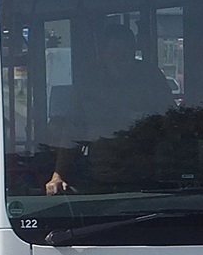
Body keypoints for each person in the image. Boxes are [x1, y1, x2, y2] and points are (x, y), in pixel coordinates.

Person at [45, 23, 174, 195]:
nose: (119, 57)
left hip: (147, 176)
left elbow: (171, 122)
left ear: (133, 50)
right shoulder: (88, 83)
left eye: (125, 50)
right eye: (113, 51)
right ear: (103, 53)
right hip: (99, 175)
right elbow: (71, 131)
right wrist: (58, 175)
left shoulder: (152, 78)